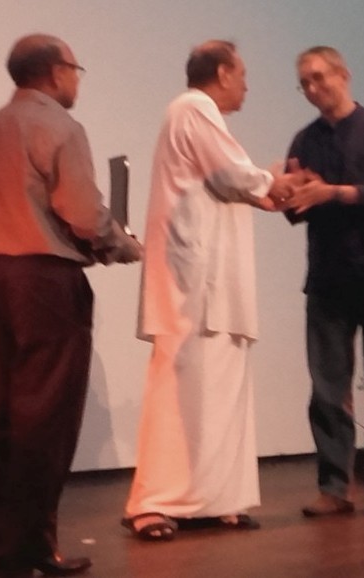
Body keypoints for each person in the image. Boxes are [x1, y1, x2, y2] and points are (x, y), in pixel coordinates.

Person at [0, 33, 142, 578]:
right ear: (56, 71)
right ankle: (22, 549)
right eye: (76, 69)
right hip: (44, 279)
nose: (78, 79)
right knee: (44, 419)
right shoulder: (59, 126)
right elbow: (84, 214)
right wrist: (122, 245)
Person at [122, 39, 296, 541]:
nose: (246, 84)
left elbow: (227, 185)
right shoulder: (193, 108)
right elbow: (231, 174)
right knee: (179, 395)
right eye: (241, 73)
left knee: (218, 392)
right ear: (221, 73)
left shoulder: (199, 116)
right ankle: (153, 503)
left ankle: (218, 497)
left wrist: (268, 192)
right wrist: (273, 181)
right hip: (193, 285)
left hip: (213, 284)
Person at [282, 46, 364, 520]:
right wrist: (289, 194)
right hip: (329, 277)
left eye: (318, 78)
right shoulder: (305, 139)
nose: (313, 89)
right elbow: (297, 214)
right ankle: (334, 487)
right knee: (327, 388)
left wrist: (331, 191)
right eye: (305, 83)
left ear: (343, 74)